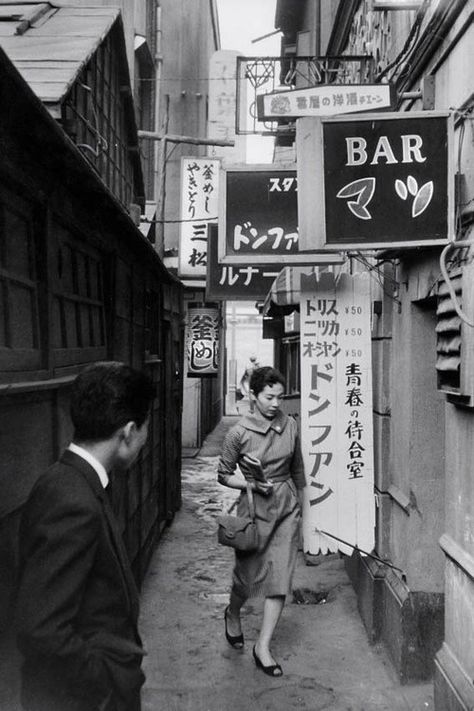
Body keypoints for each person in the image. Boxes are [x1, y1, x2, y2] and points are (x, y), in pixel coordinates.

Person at [15, 361, 155, 711]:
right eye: (145, 428)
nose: (145, 439)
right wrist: (105, 682)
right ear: (128, 432)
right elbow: (42, 630)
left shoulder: (68, 480)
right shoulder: (73, 501)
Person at [217, 366, 306, 677]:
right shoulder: (238, 433)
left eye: (280, 397)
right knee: (247, 576)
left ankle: (262, 646)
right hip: (253, 510)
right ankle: (232, 612)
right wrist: (250, 484)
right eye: (269, 397)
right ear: (252, 396)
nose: (275, 404)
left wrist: (305, 512)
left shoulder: (290, 426)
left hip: (286, 509)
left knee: (280, 577)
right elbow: (223, 474)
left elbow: (298, 471)